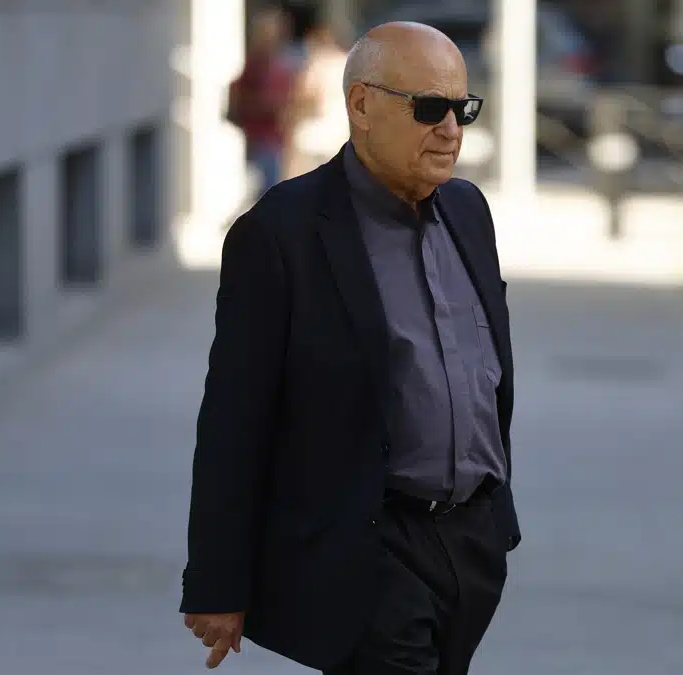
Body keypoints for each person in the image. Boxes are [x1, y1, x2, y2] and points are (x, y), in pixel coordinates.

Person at [180, 21, 520, 675]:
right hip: (370, 550)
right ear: (361, 105)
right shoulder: (281, 233)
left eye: (463, 109)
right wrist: (216, 581)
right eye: (430, 108)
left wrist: (495, 517)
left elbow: (487, 371)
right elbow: (234, 419)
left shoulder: (468, 211)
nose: (451, 130)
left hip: (471, 545)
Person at [228, 7, 295, 195]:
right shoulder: (255, 65)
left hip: (276, 140)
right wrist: (266, 106)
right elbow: (239, 97)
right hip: (260, 140)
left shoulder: (282, 63)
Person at [284, 16, 351, 179]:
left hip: (314, 135)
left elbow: (306, 98)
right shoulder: (349, 63)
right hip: (341, 135)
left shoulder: (317, 65)